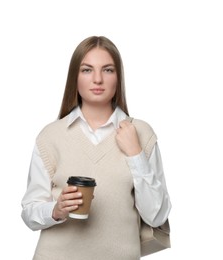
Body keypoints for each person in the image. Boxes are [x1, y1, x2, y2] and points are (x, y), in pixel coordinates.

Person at [21, 36, 171, 260]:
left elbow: (156, 216)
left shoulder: (141, 133)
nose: (98, 79)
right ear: (75, 77)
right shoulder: (51, 136)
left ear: (118, 77)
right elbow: (29, 211)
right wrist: (55, 209)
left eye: (108, 70)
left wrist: (135, 154)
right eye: (87, 70)